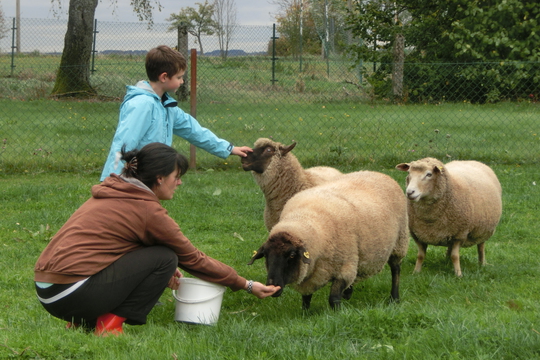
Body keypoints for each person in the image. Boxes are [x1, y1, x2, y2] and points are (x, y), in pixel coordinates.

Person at [35, 142, 279, 336]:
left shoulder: (113, 192)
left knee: (162, 259)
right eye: (177, 176)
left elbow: (117, 246)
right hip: (72, 294)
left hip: (48, 290)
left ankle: (81, 323)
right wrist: (245, 284)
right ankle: (109, 325)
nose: (180, 182)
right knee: (165, 257)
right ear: (160, 178)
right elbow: (193, 259)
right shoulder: (147, 211)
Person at [100, 45, 252, 181]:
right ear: (164, 77)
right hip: (135, 179)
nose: (182, 82)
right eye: (179, 77)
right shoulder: (142, 104)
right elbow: (123, 144)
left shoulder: (166, 106)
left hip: (153, 177)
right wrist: (110, 180)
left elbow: (194, 131)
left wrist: (229, 148)